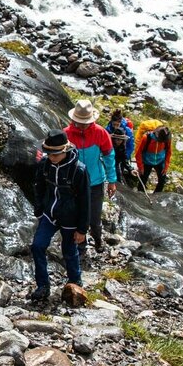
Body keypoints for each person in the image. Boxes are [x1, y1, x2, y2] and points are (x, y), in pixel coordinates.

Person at [29, 129, 90, 301]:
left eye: (55, 154)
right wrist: (39, 210)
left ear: (65, 150)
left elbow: (86, 201)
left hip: (71, 218)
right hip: (49, 213)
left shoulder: (79, 170)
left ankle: (74, 282)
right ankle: (43, 285)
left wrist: (82, 229)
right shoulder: (44, 164)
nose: (51, 157)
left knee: (69, 251)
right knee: (37, 246)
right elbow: (38, 187)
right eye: (49, 153)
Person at [63, 99, 117, 252]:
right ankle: (81, 244)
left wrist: (112, 180)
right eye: (79, 122)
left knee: (94, 217)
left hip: (95, 182)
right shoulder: (66, 134)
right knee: (77, 215)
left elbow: (109, 156)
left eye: (85, 122)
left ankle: (98, 239)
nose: (82, 125)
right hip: (73, 183)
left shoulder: (100, 133)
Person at [134, 120, 172, 193]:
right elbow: (138, 153)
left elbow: (168, 152)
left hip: (160, 162)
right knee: (143, 180)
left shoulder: (167, 139)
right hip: (147, 162)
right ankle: (140, 195)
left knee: (162, 181)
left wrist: (166, 166)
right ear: (156, 134)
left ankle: (157, 195)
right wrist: (140, 167)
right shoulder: (146, 138)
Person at [106, 109, 135, 184]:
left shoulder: (127, 131)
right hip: (109, 158)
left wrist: (130, 168)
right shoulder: (107, 130)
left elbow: (130, 146)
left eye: (117, 125)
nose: (115, 127)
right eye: (114, 125)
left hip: (120, 157)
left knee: (119, 172)